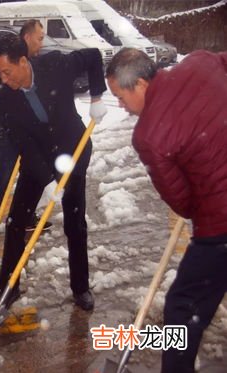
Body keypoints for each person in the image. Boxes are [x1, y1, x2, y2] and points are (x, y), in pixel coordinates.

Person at [106, 48, 227, 373]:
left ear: (141, 84)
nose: (121, 105)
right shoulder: (201, 61)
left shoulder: (148, 136)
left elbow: (184, 203)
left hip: (221, 227)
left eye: (120, 96)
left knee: (183, 308)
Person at [0, 34, 107, 311]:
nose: (3, 79)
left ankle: (81, 287)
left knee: (74, 223)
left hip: (72, 151)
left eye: (6, 72)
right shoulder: (6, 99)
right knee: (17, 221)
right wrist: (45, 181)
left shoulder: (55, 65)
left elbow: (93, 56)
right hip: (38, 157)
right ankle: (9, 287)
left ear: (23, 61)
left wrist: (97, 96)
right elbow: (22, 144)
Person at [0, 19, 52, 236]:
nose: (41, 43)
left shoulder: (34, 63)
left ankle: (26, 214)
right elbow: (6, 87)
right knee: (5, 172)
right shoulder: (9, 55)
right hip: (10, 130)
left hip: (30, 130)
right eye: (39, 38)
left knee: (29, 171)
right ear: (27, 38)